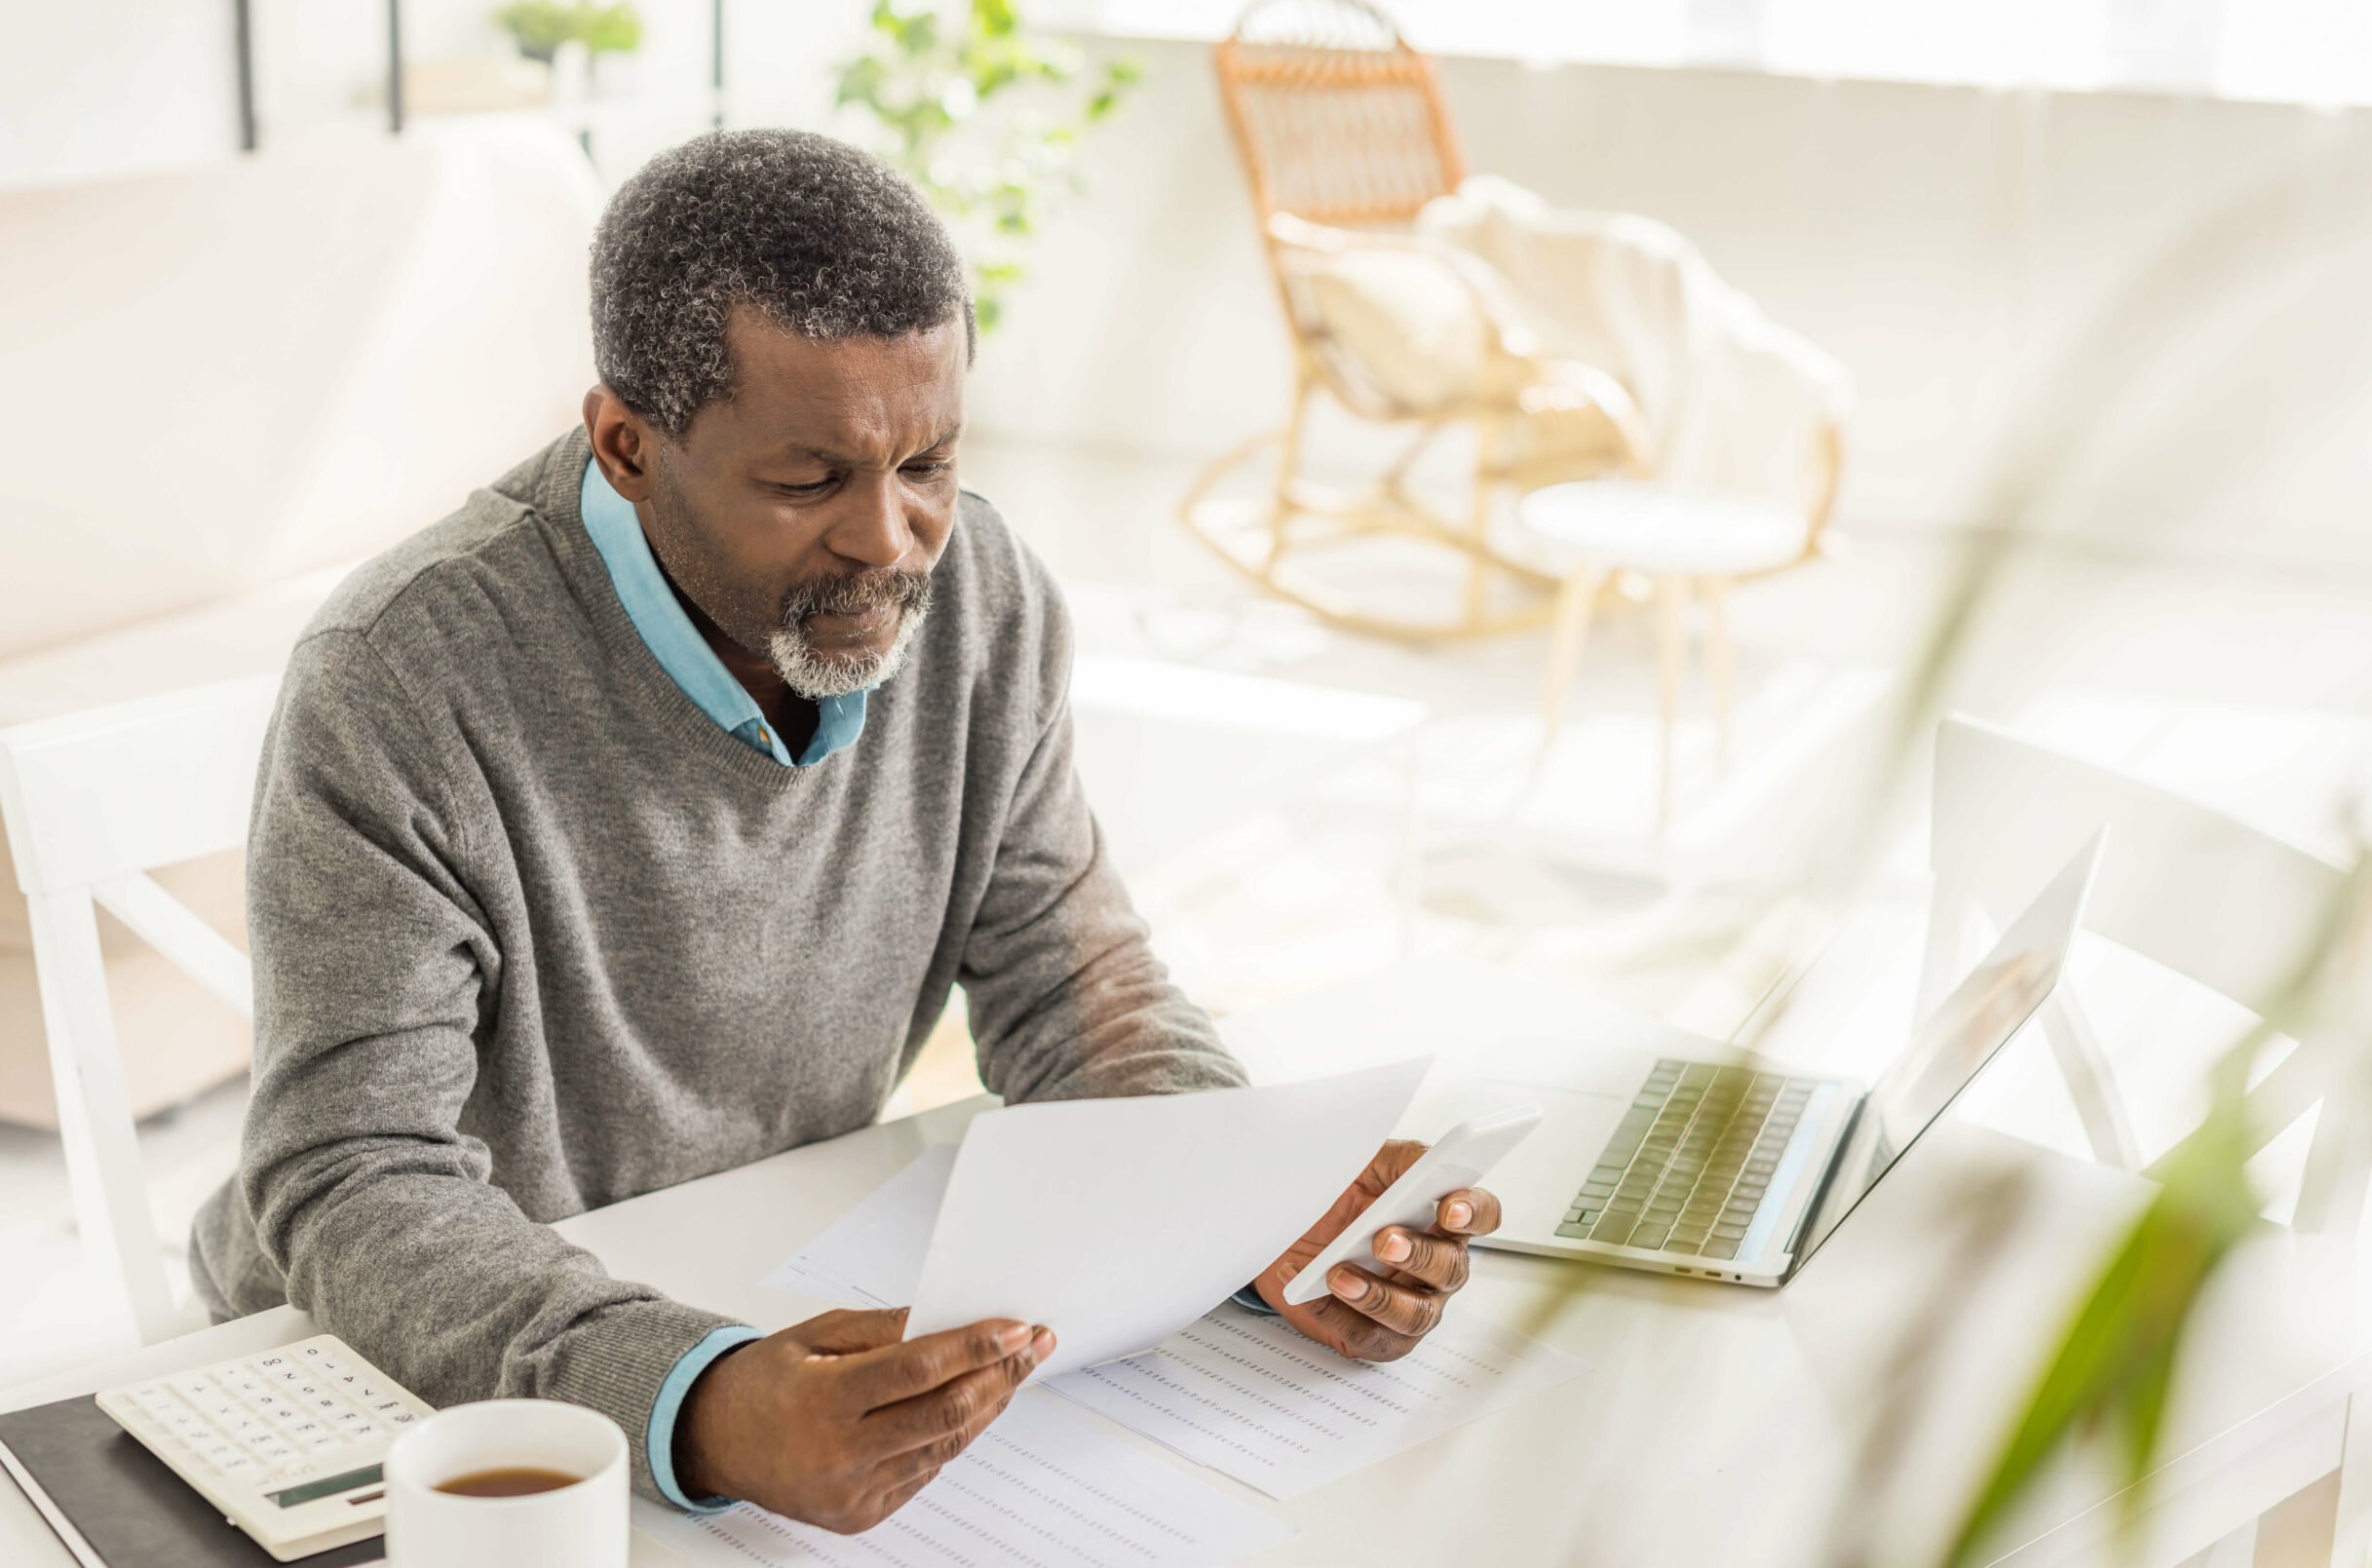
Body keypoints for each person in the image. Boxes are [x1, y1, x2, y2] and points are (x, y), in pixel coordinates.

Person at [190, 129, 1502, 1536]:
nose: (894, 539)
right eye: (810, 480)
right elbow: (354, 1173)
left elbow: (1078, 989)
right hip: (390, 1384)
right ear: (628, 444)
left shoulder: (979, 594)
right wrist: (692, 1392)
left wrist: (1252, 1216)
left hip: (755, 1284)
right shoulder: (406, 674)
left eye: (930, 459)